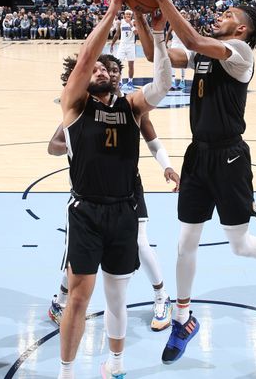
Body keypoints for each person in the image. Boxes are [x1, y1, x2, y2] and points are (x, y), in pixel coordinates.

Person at [129, 0, 256, 365]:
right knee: (184, 242)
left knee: (240, 245)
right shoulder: (203, 54)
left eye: (226, 14)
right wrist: (143, 19)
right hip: (198, 155)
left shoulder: (241, 54)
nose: (220, 16)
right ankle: (183, 318)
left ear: (240, 28)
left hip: (229, 157)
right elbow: (158, 56)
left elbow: (190, 39)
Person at [55, 0, 172, 379]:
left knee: (118, 295)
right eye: (97, 67)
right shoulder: (74, 105)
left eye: (109, 67)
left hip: (124, 209)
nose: (101, 69)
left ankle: (116, 365)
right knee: (78, 297)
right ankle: (66, 373)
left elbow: (163, 84)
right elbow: (87, 56)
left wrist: (152, 28)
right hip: (86, 210)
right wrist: (112, 13)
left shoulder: (132, 106)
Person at [47, 49, 179, 333]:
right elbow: (53, 145)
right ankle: (60, 301)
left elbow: (152, 139)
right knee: (76, 255)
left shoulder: (131, 105)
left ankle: (162, 296)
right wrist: (78, 147)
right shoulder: (83, 107)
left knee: (141, 245)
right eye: (105, 69)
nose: (111, 74)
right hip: (88, 196)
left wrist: (166, 166)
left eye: (114, 70)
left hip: (128, 192)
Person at [109, 9, 137, 92]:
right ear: (124, 15)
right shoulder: (121, 22)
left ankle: (130, 82)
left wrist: (130, 24)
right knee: (118, 64)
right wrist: (112, 43)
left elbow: (136, 33)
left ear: (131, 16)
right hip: (122, 45)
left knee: (131, 64)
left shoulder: (134, 22)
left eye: (129, 14)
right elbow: (117, 34)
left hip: (131, 45)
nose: (128, 15)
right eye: (126, 14)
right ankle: (120, 82)